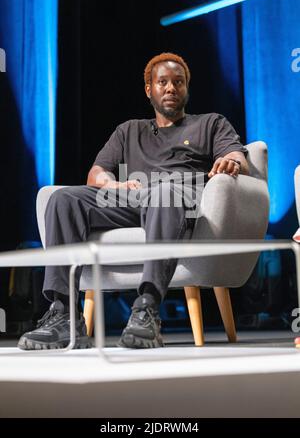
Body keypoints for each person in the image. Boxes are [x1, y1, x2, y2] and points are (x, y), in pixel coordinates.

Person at [18, 52, 249, 351]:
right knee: (64, 200)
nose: (170, 88)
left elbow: (236, 155)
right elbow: (97, 173)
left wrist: (231, 162)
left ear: (186, 88)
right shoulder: (129, 130)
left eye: (178, 82)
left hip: (178, 199)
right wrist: (111, 184)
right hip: (131, 199)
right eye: (162, 82)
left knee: (165, 194)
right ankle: (63, 315)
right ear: (148, 89)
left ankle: (147, 309)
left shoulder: (210, 123)